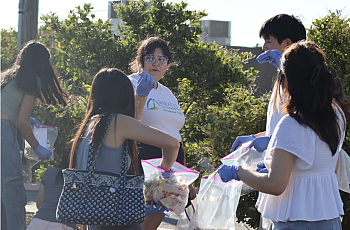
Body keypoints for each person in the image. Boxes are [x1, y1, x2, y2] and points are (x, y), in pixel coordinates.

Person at [219, 40, 345, 230]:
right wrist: (273, 165)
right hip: (329, 219)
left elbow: (275, 185)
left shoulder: (292, 123)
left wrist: (238, 172)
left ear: (287, 80)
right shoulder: (336, 114)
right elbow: (324, 166)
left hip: (297, 221)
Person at [69, 68, 180, 230]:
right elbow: (172, 143)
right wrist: (162, 174)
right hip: (119, 217)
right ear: (125, 95)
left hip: (96, 219)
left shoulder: (90, 125)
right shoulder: (118, 122)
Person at [128, 37, 195, 230]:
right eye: (150, 57)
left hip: (172, 163)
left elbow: (173, 131)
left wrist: (183, 171)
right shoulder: (131, 82)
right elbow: (130, 122)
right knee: (139, 223)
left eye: (162, 59)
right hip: (146, 161)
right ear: (141, 61)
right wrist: (141, 95)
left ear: (167, 65)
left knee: (152, 224)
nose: (156, 63)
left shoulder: (167, 93)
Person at [1, 40, 68, 230]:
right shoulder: (32, 80)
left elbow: (11, 110)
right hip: (4, 132)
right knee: (13, 190)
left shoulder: (9, 77)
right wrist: (38, 148)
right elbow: (22, 122)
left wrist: (25, 119)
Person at [230, 14, 307, 153]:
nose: (264, 47)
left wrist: (271, 141)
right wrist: (255, 137)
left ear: (287, 43)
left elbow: (303, 127)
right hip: (278, 158)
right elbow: (277, 126)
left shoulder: (304, 79)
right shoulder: (282, 76)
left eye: (268, 42)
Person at [26, 141, 76, 230]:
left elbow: (39, 204)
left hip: (38, 223)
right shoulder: (82, 179)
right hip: (64, 226)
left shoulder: (50, 172)